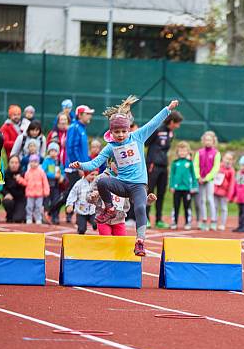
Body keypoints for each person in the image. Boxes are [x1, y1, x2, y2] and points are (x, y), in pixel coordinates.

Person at [71, 97, 179, 256]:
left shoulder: (138, 137)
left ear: (129, 130)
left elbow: (154, 122)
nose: (121, 135)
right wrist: (80, 165)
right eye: (117, 132)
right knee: (102, 182)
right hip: (122, 184)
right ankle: (110, 209)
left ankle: (140, 242)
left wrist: (168, 109)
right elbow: (94, 163)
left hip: (138, 185)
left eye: (123, 131)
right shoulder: (110, 147)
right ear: (111, 132)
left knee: (141, 208)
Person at [145, 110, 183, 229]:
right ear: (172, 122)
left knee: (161, 193)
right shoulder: (157, 130)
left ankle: (159, 219)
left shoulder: (171, 134)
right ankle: (145, 218)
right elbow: (146, 143)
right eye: (177, 123)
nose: (178, 126)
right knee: (149, 192)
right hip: (152, 165)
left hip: (163, 166)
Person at [64, 104, 95, 223]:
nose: (89, 116)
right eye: (87, 114)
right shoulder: (74, 127)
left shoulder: (82, 128)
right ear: (80, 115)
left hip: (82, 166)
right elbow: (71, 148)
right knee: (73, 190)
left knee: (75, 190)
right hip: (74, 167)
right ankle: (53, 211)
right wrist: (77, 166)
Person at [193, 130, 221, 231]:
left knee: (210, 199)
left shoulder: (216, 153)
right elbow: (195, 165)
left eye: (210, 140)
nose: (207, 142)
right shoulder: (199, 152)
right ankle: (203, 220)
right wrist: (198, 177)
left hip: (209, 180)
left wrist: (207, 178)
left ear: (213, 141)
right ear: (203, 141)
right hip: (200, 180)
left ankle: (213, 220)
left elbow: (216, 168)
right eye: (206, 140)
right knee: (201, 200)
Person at [168, 141, 196, 230]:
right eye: (180, 151)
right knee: (176, 206)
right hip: (177, 188)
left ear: (188, 152)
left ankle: (188, 222)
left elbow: (193, 175)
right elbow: (172, 175)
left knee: (187, 206)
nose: (182, 153)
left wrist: (193, 186)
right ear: (177, 152)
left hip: (187, 188)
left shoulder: (190, 163)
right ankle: (174, 222)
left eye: (184, 151)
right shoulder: (175, 163)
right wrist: (171, 186)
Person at [16, 154, 49, 224]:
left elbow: (45, 182)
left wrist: (46, 191)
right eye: (31, 162)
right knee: (29, 207)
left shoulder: (41, 172)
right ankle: (29, 218)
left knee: (38, 207)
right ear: (29, 163)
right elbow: (25, 182)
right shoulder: (27, 173)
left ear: (38, 163)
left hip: (39, 194)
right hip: (30, 193)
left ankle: (38, 218)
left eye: (35, 162)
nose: (33, 163)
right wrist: (20, 180)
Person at [65, 169, 97, 234]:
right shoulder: (79, 184)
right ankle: (80, 239)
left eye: (96, 175)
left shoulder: (97, 184)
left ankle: (95, 225)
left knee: (96, 224)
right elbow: (72, 195)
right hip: (81, 211)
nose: (94, 177)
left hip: (93, 211)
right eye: (92, 175)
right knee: (82, 229)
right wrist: (70, 205)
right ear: (85, 175)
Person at [42, 142, 64, 224]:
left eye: (55, 151)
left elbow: (62, 172)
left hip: (56, 186)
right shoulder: (46, 161)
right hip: (47, 185)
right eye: (51, 151)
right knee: (46, 202)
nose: (53, 153)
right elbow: (43, 171)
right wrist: (53, 175)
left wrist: (62, 177)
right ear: (48, 152)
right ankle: (46, 216)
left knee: (56, 201)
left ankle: (55, 216)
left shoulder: (58, 162)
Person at [214, 152, 236, 230]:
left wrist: (229, 196)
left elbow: (232, 184)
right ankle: (214, 222)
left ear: (233, 161)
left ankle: (222, 224)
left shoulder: (231, 171)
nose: (228, 161)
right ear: (223, 158)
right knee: (215, 207)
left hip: (224, 193)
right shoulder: (218, 166)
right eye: (226, 158)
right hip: (215, 192)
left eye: (230, 159)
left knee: (223, 208)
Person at [2, 155, 27, 223]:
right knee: (7, 202)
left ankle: (18, 214)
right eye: (12, 162)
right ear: (9, 163)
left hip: (21, 200)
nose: (14, 165)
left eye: (16, 163)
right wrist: (6, 194)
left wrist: (20, 180)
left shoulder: (23, 174)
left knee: (18, 219)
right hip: (10, 198)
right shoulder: (5, 173)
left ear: (19, 164)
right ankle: (9, 215)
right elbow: (2, 187)